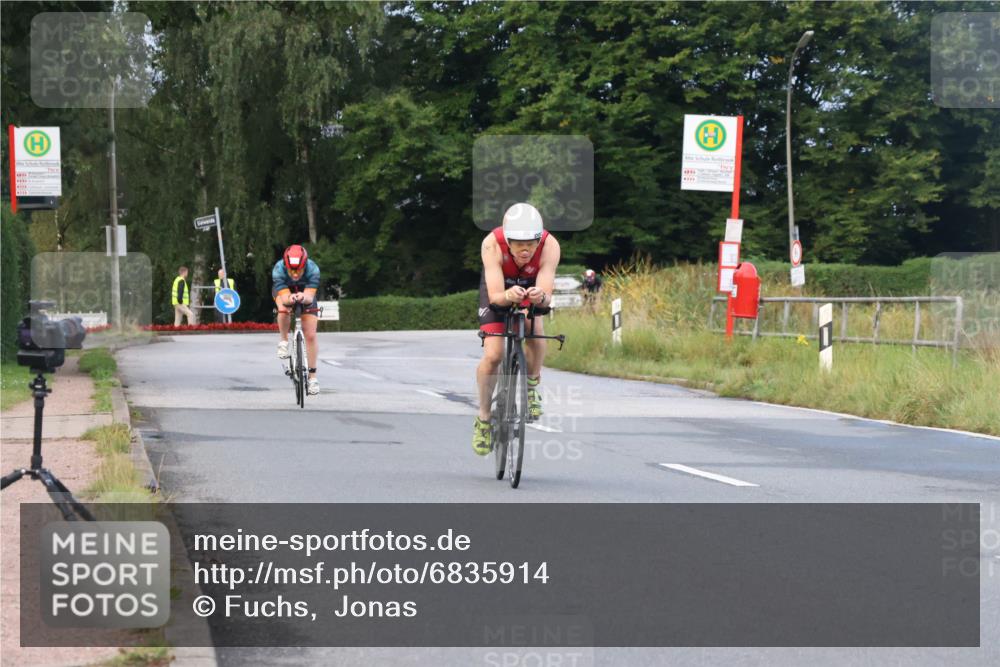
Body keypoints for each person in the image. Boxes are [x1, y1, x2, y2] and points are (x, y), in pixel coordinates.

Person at [473, 203, 561, 456]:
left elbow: (546, 299)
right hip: (500, 289)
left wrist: (539, 296)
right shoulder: (491, 244)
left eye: (531, 244)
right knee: (493, 355)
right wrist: (508, 295)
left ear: (539, 239)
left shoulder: (550, 245)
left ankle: (531, 387)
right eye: (518, 243)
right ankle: (483, 418)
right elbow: (496, 297)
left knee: (534, 324)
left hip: (530, 288)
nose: (525, 250)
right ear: (507, 240)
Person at [272, 244, 321, 395]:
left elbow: (309, 297)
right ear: (285, 266)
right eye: (291, 270)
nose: (294, 274)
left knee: (311, 335)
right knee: (283, 308)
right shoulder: (278, 269)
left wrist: (302, 297)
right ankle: (284, 341)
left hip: (305, 293)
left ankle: (312, 378)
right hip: (285, 292)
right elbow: (285, 298)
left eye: (298, 270)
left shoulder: (313, 269)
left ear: (304, 265)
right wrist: (290, 298)